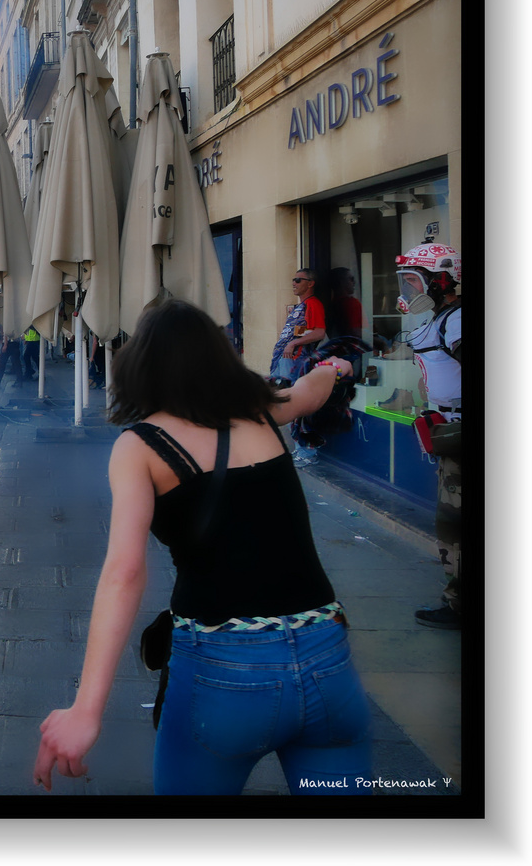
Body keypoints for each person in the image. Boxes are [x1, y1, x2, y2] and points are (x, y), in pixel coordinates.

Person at [34, 298, 370, 795]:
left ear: (142, 364)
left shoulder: (142, 446)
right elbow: (310, 391)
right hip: (327, 659)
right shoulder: (260, 409)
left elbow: (124, 574)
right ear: (219, 356)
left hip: (223, 671)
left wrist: (87, 708)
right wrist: (333, 366)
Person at [396, 242, 463, 630]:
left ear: (441, 279)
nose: (409, 292)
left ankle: (458, 605)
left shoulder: (456, 320)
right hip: (448, 430)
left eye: (413, 282)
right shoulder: (445, 318)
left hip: (459, 431)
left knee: (454, 525)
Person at [270, 268, 326, 382]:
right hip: (283, 357)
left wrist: (293, 343)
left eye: (298, 280)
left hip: (294, 359)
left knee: (288, 394)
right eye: (293, 280)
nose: (294, 283)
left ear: (310, 283)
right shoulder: (302, 305)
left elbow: (320, 332)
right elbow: (304, 330)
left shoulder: (313, 304)